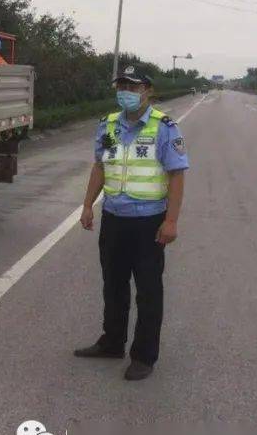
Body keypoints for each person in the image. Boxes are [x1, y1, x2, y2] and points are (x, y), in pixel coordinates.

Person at [74, 65, 188, 381]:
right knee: (113, 286)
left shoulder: (164, 127)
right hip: (114, 219)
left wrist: (171, 221)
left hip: (149, 223)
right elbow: (100, 167)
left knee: (148, 291)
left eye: (134, 86)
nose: (127, 91)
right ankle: (112, 342)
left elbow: (177, 175)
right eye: (122, 85)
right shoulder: (108, 125)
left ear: (147, 90)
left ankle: (144, 355)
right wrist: (87, 206)